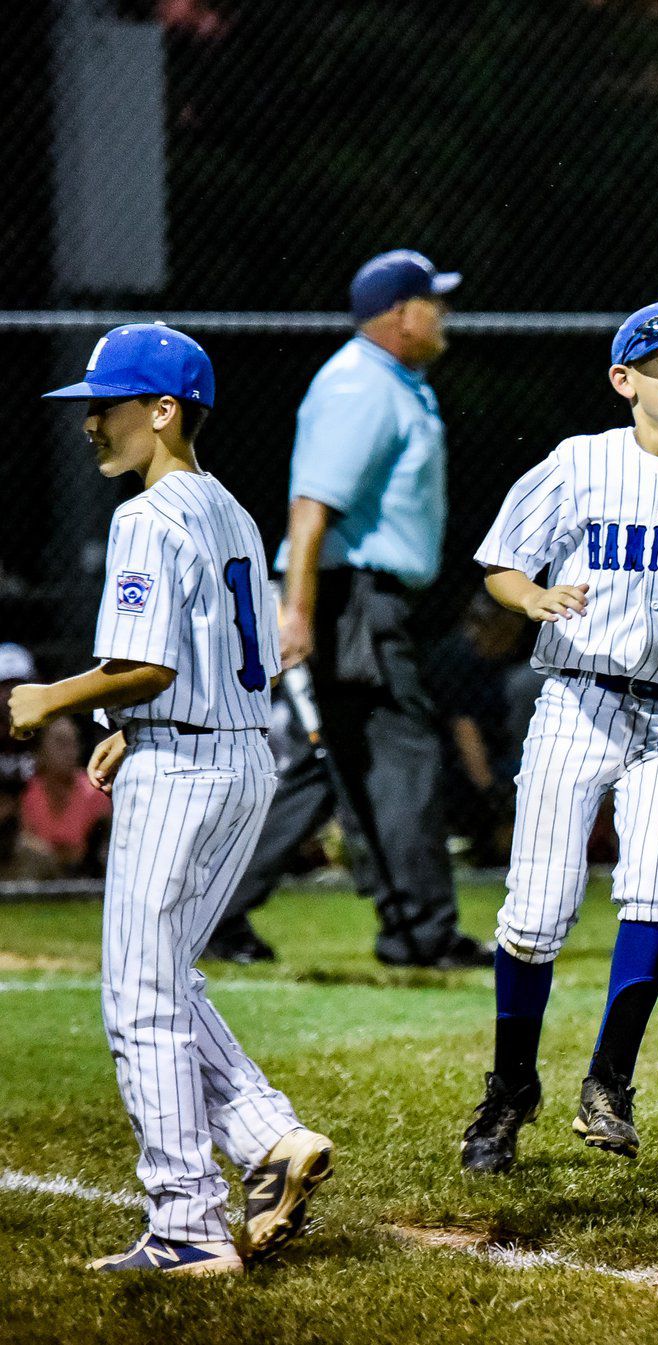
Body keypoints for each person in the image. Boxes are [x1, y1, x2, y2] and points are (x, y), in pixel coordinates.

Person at [15, 324, 332, 1273]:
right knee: (165, 977)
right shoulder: (230, 509)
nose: (90, 425)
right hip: (238, 758)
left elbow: (145, 664)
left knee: (140, 998)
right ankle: (270, 1138)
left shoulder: (144, 517)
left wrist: (56, 699)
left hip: (184, 776)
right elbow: (223, 656)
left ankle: (186, 1224)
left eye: (105, 406)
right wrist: (131, 727)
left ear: (163, 411)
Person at [458, 301, 658, 1174]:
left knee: (654, 888)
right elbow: (501, 561)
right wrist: (532, 599)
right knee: (536, 910)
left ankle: (610, 1080)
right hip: (580, 700)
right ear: (623, 379)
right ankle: (510, 1086)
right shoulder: (580, 461)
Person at [206, 250, 488, 969]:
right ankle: (420, 931)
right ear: (399, 314)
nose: (444, 314)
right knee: (404, 755)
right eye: (434, 301)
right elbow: (310, 507)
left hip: (354, 598)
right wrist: (296, 611)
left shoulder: (390, 381)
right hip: (347, 600)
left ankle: (212, 913)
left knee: (323, 764)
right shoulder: (362, 385)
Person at [424, 591, 530, 866]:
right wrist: (491, 792)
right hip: (452, 768)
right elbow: (464, 730)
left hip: (493, 759)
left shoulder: (491, 662)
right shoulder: (458, 657)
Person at [12, 715, 112, 877]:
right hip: (45, 873)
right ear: (41, 751)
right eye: (61, 743)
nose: (69, 752)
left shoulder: (95, 792)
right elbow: (26, 839)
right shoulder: (30, 792)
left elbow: (101, 847)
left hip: (85, 874)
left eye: (74, 743)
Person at [0, 642, 40, 869]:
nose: (12, 695)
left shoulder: (47, 731)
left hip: (39, 829)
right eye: (6, 686)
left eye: (20, 685)